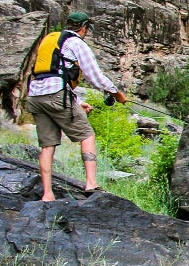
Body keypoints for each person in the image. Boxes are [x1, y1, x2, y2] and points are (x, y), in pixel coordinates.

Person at [24, 11, 126, 201]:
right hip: (56, 95)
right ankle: (91, 184)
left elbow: (53, 74)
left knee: (47, 145)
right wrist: (117, 94)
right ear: (84, 28)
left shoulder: (50, 40)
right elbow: (95, 76)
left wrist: (77, 103)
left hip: (35, 96)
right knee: (87, 135)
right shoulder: (76, 43)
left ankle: (47, 194)